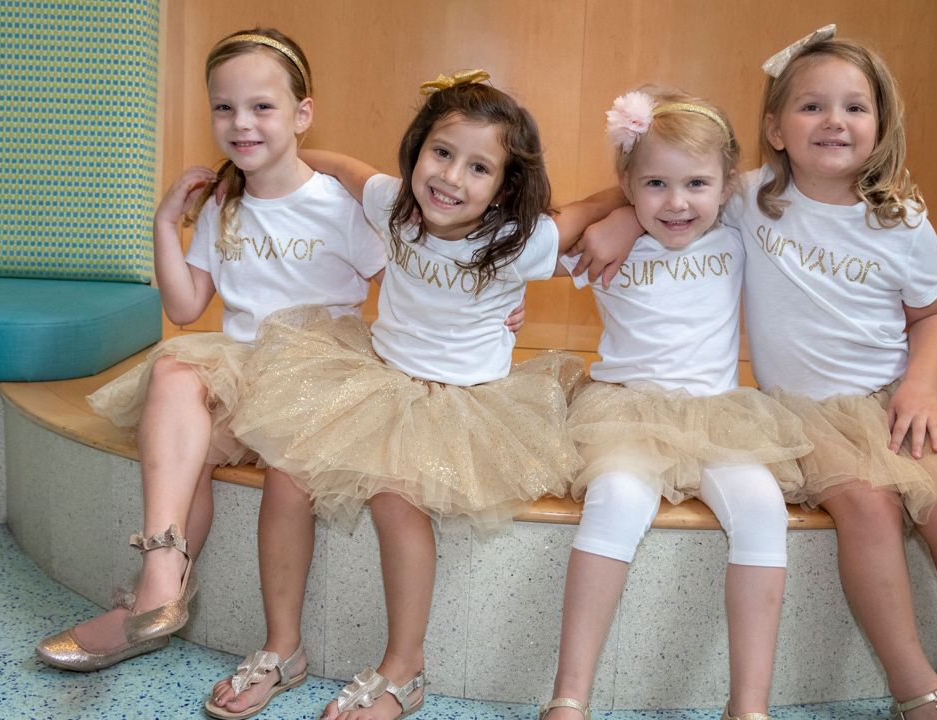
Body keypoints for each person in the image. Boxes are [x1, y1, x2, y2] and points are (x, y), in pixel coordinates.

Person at [583, 27, 937, 720]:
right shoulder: (750, 197)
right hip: (804, 415)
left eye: (854, 107)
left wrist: (922, 386)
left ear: (880, 125)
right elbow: (666, 175)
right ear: (776, 128)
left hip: (896, 398)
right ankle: (913, 686)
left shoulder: (901, 220)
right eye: (812, 106)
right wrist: (627, 215)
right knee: (866, 510)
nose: (834, 121)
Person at [205, 70, 625, 720]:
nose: (451, 178)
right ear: (418, 149)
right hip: (377, 377)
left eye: (478, 167)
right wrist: (271, 163)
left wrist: (625, 215)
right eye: (442, 153)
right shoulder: (391, 205)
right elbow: (342, 166)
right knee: (287, 472)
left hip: (464, 403)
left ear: (505, 187)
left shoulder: (519, 242)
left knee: (395, 496)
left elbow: (587, 210)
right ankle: (282, 646)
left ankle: (405, 669)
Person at [35, 28, 386, 676]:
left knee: (234, 435)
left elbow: (394, 284)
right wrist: (166, 223)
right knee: (175, 372)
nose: (240, 122)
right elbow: (186, 306)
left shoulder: (336, 202)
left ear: (302, 114)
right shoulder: (226, 204)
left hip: (317, 374)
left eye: (261, 106)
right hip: (245, 368)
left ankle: (168, 605)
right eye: (224, 107)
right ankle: (159, 582)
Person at [538, 88, 812, 720]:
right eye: (655, 184)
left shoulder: (740, 232)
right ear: (628, 183)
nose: (678, 201)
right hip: (624, 414)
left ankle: (748, 704)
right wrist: (620, 217)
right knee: (617, 500)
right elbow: (530, 250)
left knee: (764, 509)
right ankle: (570, 696)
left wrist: (635, 210)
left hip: (718, 416)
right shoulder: (608, 246)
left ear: (724, 188)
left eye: (696, 183)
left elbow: (778, 170)